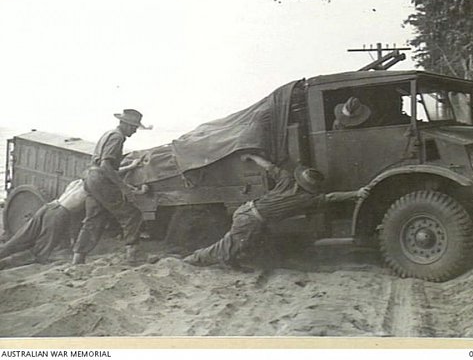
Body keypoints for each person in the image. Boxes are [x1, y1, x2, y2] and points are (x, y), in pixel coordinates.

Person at [183, 154, 369, 268]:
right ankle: (193, 260)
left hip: (247, 211)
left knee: (245, 243)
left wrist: (251, 156)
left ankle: (232, 261)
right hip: (251, 219)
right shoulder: (306, 199)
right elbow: (332, 197)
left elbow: (268, 166)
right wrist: (357, 193)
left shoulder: (286, 179)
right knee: (227, 246)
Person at [72, 109, 149, 265]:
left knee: (93, 220)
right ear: (126, 125)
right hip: (102, 181)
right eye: (134, 127)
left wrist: (130, 167)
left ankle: (78, 258)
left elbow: (103, 166)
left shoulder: (108, 134)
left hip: (91, 179)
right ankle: (133, 256)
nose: (134, 131)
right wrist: (125, 188)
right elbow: (106, 166)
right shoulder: (118, 137)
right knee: (132, 214)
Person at [0, 179, 88, 269]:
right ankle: (5, 263)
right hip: (59, 213)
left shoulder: (78, 182)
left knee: (20, 238)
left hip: (49, 206)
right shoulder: (92, 188)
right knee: (40, 251)